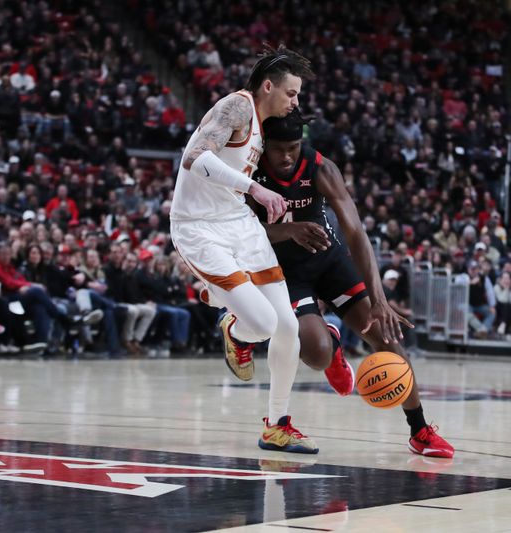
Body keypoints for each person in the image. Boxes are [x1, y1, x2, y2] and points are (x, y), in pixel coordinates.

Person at [249, 110, 454, 458]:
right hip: (286, 272)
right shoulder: (249, 173)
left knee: (385, 336)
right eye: (280, 149)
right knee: (315, 354)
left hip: (329, 259)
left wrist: (380, 300)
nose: (287, 156)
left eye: (294, 148)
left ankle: (420, 430)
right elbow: (240, 232)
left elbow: (356, 231)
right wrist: (287, 230)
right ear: (265, 146)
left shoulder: (320, 167)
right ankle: (329, 341)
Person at [170, 44, 317, 453]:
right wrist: (255, 188)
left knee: (289, 327)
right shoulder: (236, 106)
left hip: (239, 224)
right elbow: (194, 159)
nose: (296, 101)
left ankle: (277, 424)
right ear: (268, 86)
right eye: (291, 93)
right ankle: (233, 328)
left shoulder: (261, 123)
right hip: (200, 228)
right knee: (264, 325)